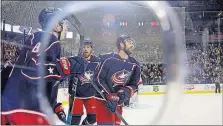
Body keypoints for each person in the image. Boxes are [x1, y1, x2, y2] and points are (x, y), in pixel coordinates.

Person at [1, 7, 87, 125]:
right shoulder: (48, 38)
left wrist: (55, 106)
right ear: (56, 25)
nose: (67, 28)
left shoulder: (39, 39)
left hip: (16, 106)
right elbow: (31, 70)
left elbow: (41, 84)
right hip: (27, 109)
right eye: (64, 23)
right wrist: (64, 67)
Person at [94, 35, 141, 125]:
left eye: (133, 43)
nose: (132, 45)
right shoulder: (107, 59)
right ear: (121, 44)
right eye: (129, 42)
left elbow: (134, 84)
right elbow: (98, 78)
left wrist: (125, 92)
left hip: (118, 103)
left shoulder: (135, 64)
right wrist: (109, 96)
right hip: (103, 101)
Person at [69, 39, 100, 125]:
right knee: (74, 121)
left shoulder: (97, 61)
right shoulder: (75, 60)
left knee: (93, 117)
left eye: (88, 47)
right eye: (83, 47)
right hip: (76, 95)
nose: (85, 49)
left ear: (91, 49)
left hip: (91, 94)